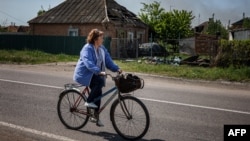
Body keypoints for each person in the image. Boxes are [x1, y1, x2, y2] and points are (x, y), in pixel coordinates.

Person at [73, 29, 121, 127]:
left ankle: (95, 115)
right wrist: (98, 71)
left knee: (99, 92)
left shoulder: (101, 48)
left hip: (94, 73)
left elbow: (108, 61)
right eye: (101, 37)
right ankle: (89, 101)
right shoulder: (87, 48)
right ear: (95, 39)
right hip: (84, 73)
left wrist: (117, 69)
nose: (103, 39)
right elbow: (88, 62)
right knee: (99, 82)